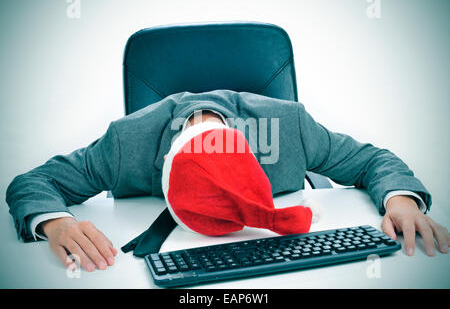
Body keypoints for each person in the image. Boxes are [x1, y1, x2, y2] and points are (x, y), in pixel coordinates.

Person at [5, 90, 449, 272]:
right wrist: (55, 222)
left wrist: (402, 201)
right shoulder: (127, 143)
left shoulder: (289, 127)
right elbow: (34, 180)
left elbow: (371, 160)